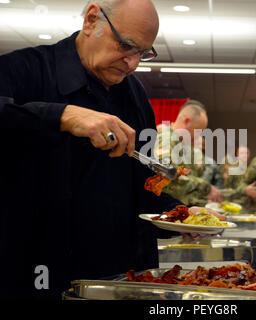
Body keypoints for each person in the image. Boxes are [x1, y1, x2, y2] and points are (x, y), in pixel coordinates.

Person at [0, 0, 202, 300]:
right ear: (92, 20)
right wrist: (62, 115)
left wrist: (179, 214)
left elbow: (141, 183)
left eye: (143, 53)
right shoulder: (24, 69)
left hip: (117, 276)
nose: (133, 63)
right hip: (32, 272)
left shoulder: (136, 97)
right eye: (126, 45)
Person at [155, 100, 223, 206]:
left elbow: (190, 180)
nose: (198, 136)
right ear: (186, 121)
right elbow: (167, 177)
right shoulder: (165, 139)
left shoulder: (185, 146)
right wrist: (205, 187)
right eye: (198, 131)